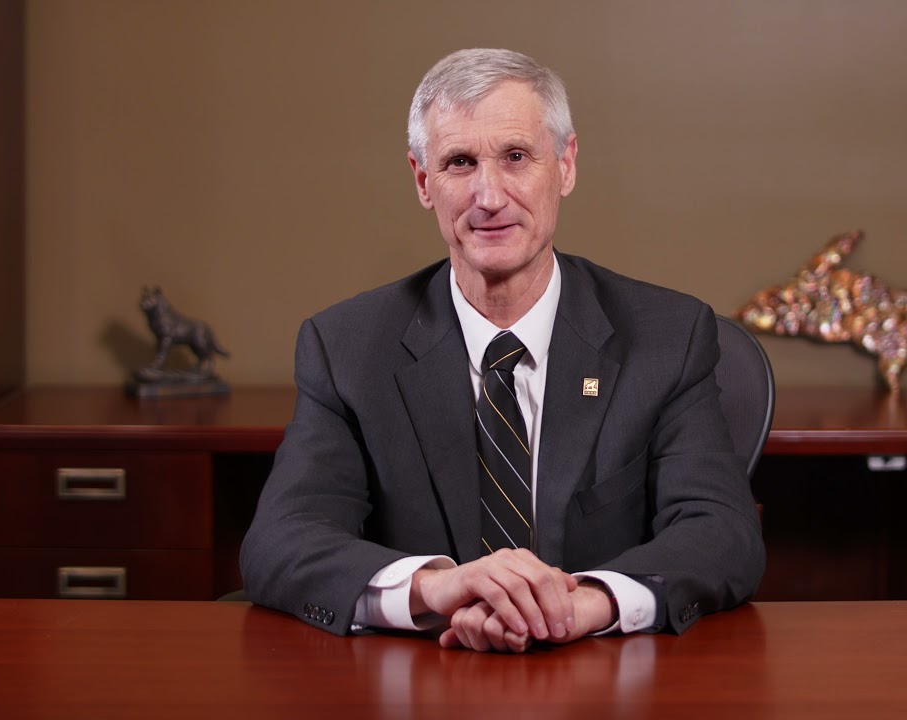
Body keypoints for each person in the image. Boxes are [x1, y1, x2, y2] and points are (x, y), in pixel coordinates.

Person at [240, 48, 764, 653]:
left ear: (565, 165)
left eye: (516, 157)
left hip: (602, 674)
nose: (489, 196)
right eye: (459, 162)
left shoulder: (669, 337)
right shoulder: (347, 348)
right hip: (423, 677)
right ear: (423, 181)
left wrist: (585, 604)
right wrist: (436, 587)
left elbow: (721, 532)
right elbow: (281, 540)